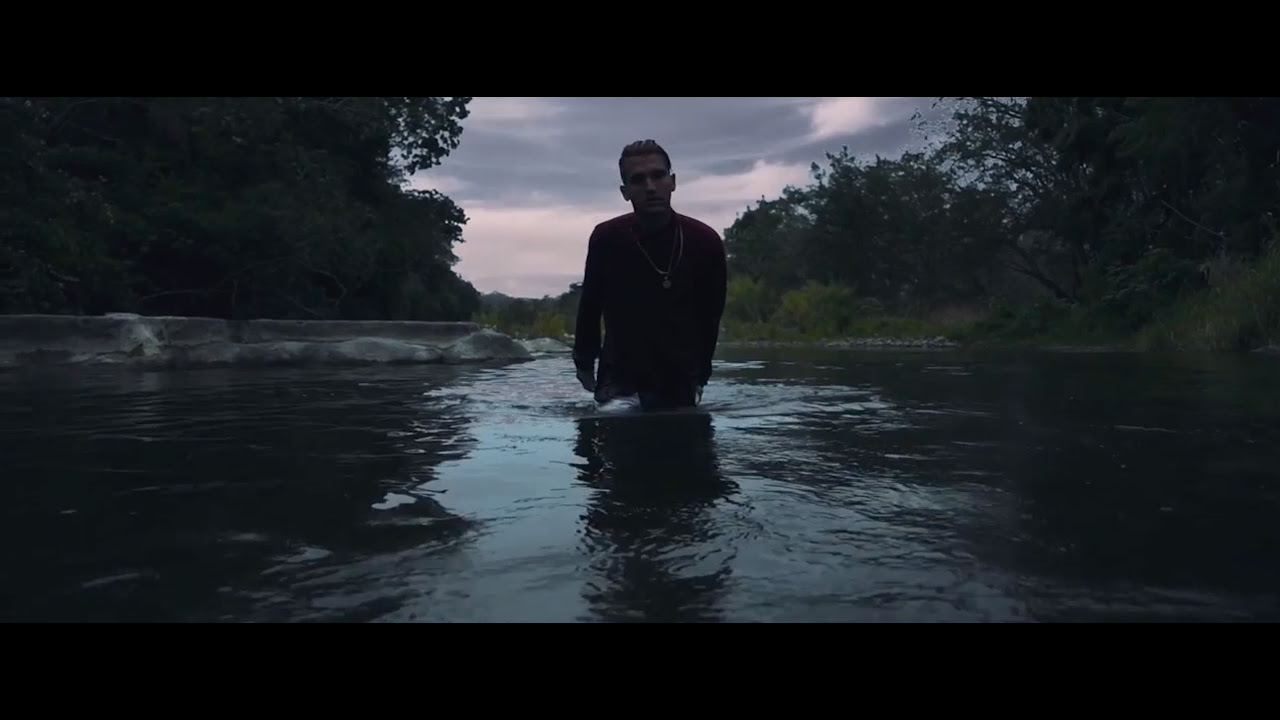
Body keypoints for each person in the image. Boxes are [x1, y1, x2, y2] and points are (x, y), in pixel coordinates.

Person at [572, 139, 728, 412]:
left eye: (658, 176)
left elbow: (710, 316)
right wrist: (584, 363)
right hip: (618, 378)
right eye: (638, 180)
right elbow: (590, 304)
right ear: (625, 192)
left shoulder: (704, 241)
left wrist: (701, 376)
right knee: (616, 420)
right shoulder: (607, 238)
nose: (650, 187)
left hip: (679, 377)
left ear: (673, 182)